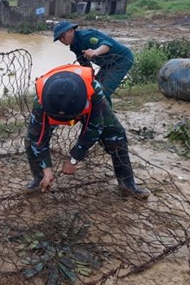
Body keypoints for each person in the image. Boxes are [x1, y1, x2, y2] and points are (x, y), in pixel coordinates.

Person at [24, 64, 150, 200]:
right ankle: (40, 179)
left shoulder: (94, 91)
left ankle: (127, 185)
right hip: (54, 107)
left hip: (85, 105)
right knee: (29, 141)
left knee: (116, 135)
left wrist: (74, 159)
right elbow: (37, 138)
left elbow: (94, 128)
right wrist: (46, 169)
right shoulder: (41, 100)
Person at [53, 21, 134, 106]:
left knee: (102, 91)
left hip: (122, 59)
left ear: (71, 30)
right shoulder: (74, 46)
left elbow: (106, 45)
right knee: (94, 89)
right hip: (107, 64)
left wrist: (95, 52)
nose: (61, 40)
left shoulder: (86, 36)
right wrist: (89, 79)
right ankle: (105, 111)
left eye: (62, 36)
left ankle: (106, 116)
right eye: (59, 38)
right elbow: (85, 65)